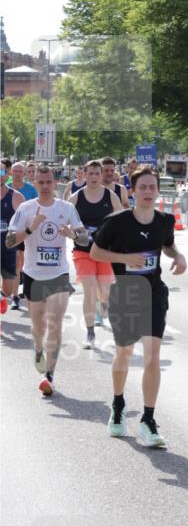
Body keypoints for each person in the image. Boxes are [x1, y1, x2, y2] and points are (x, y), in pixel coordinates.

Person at [91, 165, 187, 448]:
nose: (147, 192)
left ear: (157, 190)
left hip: (154, 293)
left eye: (152, 187)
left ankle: (148, 419)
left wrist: (178, 255)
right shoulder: (117, 222)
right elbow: (95, 252)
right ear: (132, 191)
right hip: (126, 293)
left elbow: (167, 244)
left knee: (153, 356)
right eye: (142, 187)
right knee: (125, 352)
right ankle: (118, 405)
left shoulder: (165, 220)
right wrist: (125, 258)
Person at [5, 165, 88, 395]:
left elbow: (84, 239)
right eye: (40, 183)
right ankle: (38, 349)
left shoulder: (66, 208)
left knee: (55, 323)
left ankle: (49, 375)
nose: (44, 186)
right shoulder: (26, 208)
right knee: (38, 327)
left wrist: (72, 234)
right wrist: (30, 229)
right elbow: (9, 241)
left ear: (55, 183)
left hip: (58, 274)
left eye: (48, 182)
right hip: (33, 275)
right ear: (35, 183)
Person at [70, 160, 123, 348]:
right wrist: (73, 232)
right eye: (90, 173)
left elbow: (122, 220)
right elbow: (63, 220)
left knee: (104, 294)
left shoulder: (111, 196)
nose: (93, 177)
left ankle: (104, 307)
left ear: (101, 175)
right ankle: (90, 332)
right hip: (82, 251)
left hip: (103, 252)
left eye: (97, 174)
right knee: (89, 290)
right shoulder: (76, 198)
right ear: (84, 175)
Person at [9, 162, 39, 310]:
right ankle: (12, 293)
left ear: (25, 173)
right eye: (15, 171)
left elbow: (37, 208)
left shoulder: (31, 190)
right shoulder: (5, 188)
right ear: (10, 173)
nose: (18, 174)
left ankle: (17, 295)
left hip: (25, 231)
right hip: (8, 230)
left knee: (20, 261)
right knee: (14, 262)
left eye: (20, 171)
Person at [1, 169, 24, 314]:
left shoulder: (16, 197)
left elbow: (25, 222)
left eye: (0, 171)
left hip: (8, 248)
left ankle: (3, 297)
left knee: (8, 289)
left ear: (6, 175)